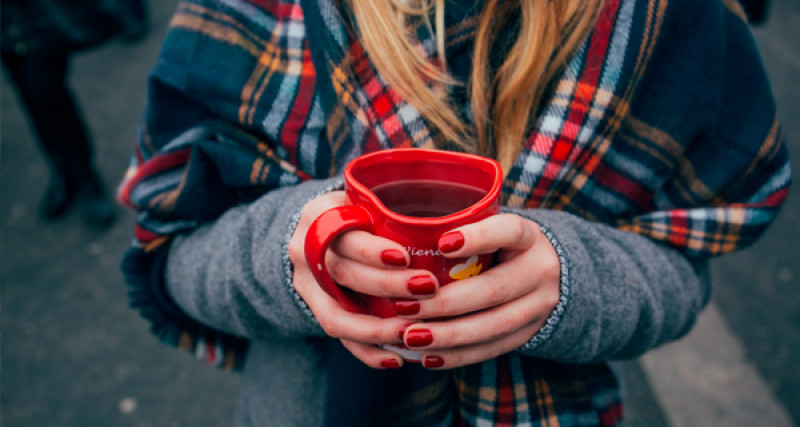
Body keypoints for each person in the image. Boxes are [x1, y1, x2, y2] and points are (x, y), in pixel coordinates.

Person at [117, 0, 791, 425]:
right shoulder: (262, 8)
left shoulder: (669, 22)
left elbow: (682, 270)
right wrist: (293, 250)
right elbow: (174, 255)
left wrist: (572, 281)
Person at [1, 0, 126, 228]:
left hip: (35, 17)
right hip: (6, 25)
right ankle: (62, 171)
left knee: (46, 92)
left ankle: (85, 174)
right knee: (30, 100)